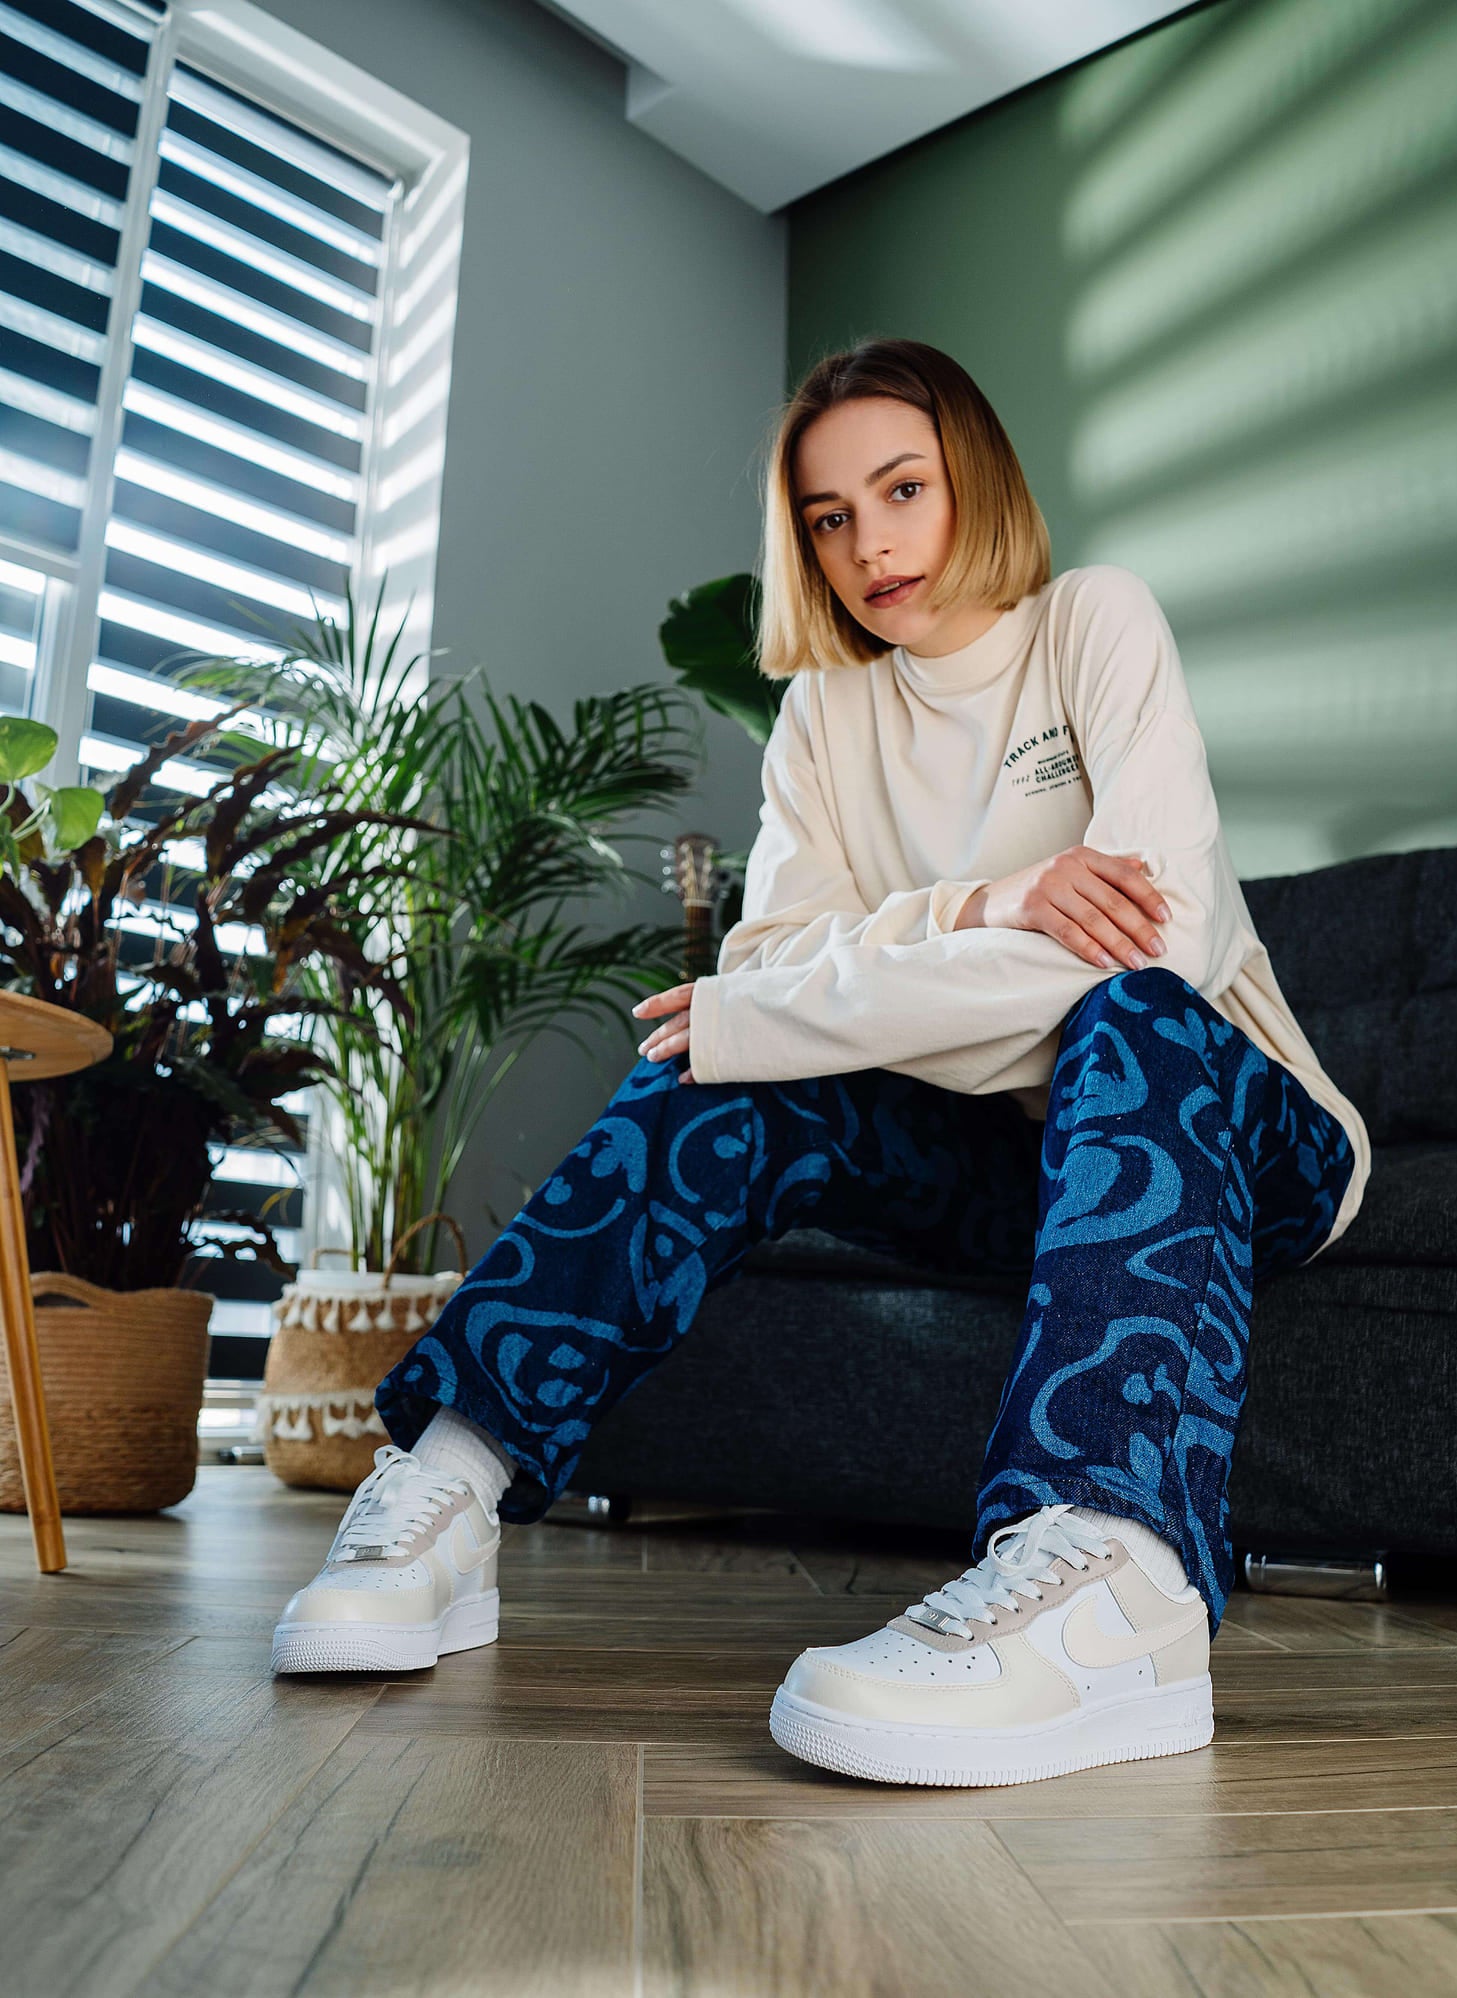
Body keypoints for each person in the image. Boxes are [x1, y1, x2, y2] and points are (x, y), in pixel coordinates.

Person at [271, 338, 1367, 1790]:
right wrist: (989, 905)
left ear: (971, 474)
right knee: (713, 1077)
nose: (870, 542)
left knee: (1130, 1017)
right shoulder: (825, 720)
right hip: (999, 1162)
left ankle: (1118, 1586)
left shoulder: (1094, 625)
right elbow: (761, 986)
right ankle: (448, 1492)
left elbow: (1143, 947)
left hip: (1233, 1133)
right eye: (829, 518)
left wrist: (832, 985)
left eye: (901, 488)